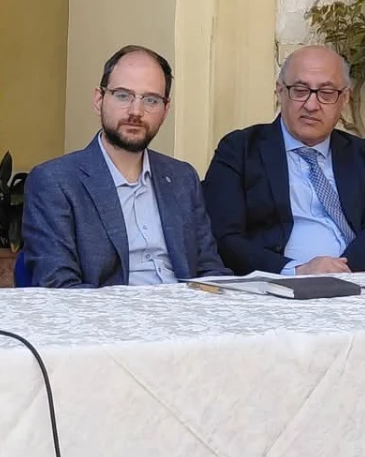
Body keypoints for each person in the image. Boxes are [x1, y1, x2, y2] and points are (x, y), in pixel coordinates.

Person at [21, 45, 225, 287]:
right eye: (122, 96)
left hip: (186, 307)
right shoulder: (55, 181)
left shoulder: (182, 178)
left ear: (165, 110)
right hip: (106, 309)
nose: (136, 111)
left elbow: (210, 271)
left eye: (151, 100)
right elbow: (60, 287)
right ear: (99, 100)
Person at [203, 45, 365, 274]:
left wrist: (341, 273)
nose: (311, 105)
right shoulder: (240, 150)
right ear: (280, 92)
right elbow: (224, 237)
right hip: (277, 285)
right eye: (300, 90)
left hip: (356, 280)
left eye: (326, 93)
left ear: (344, 98)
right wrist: (296, 271)